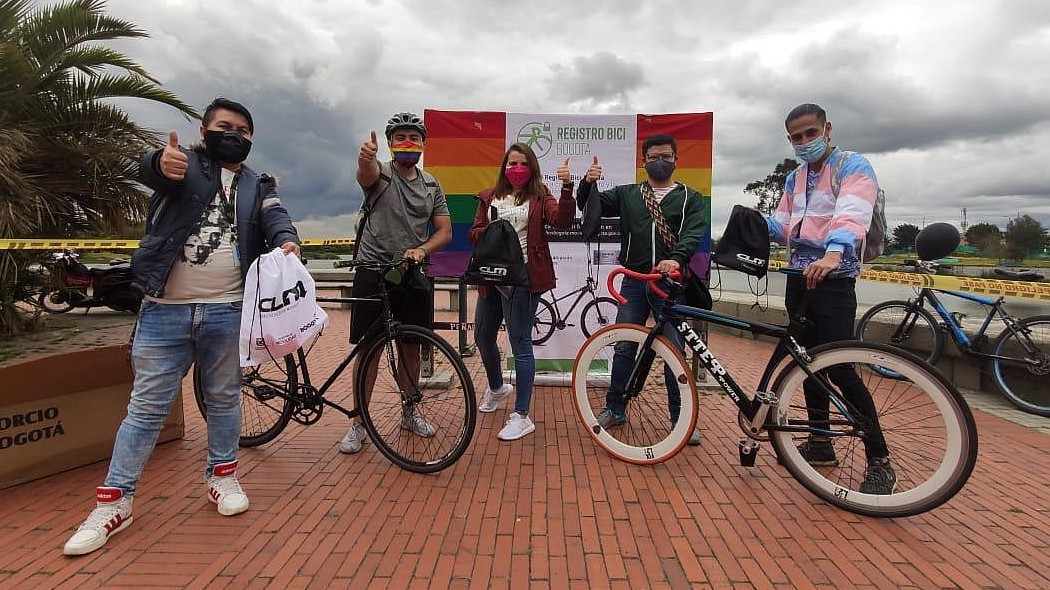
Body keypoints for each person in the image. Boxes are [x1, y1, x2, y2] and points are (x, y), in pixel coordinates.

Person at [63, 98, 301, 556]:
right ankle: (115, 501)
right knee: (146, 408)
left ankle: (222, 477)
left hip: (228, 310)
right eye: (225, 126)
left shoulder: (258, 183)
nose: (235, 134)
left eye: (244, 130)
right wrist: (158, 160)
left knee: (225, 399)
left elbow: (276, 217)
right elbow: (148, 168)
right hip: (164, 309)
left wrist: (288, 241)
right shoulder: (185, 164)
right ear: (205, 130)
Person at [767, 102, 895, 494]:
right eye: (796, 137)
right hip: (798, 277)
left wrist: (835, 252)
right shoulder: (795, 178)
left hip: (834, 278)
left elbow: (851, 215)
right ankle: (820, 440)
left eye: (809, 133)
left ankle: (880, 460)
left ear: (827, 129)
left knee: (840, 366)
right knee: (807, 363)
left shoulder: (852, 166)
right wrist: (752, 225)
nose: (804, 142)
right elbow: (785, 225)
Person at [577, 134, 709, 445]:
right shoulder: (627, 194)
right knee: (624, 345)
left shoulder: (692, 197)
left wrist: (675, 260)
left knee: (675, 351)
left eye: (665, 155)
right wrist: (587, 182)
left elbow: (692, 235)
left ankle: (681, 418)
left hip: (671, 284)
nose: (659, 161)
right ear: (643, 161)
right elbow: (589, 204)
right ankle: (615, 408)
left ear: (676, 159)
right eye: (652, 157)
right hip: (634, 280)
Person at [338, 112, 452, 454]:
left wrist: (422, 248)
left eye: (414, 138)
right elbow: (366, 175)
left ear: (422, 144)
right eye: (400, 137)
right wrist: (365, 158)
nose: (407, 143)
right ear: (390, 144)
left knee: (412, 349)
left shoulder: (431, 184)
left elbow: (445, 230)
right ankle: (358, 422)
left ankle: (409, 411)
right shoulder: (382, 173)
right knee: (368, 351)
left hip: (411, 272)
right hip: (373, 272)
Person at [470, 145, 577, 440]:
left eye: (523, 163)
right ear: (504, 166)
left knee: (520, 344)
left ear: (531, 168)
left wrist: (567, 187)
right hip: (491, 277)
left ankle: (521, 415)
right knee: (482, 337)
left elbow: (563, 221)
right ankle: (497, 387)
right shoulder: (489, 196)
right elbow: (474, 232)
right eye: (511, 163)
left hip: (524, 280)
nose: (517, 168)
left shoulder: (541, 196)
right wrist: (494, 230)